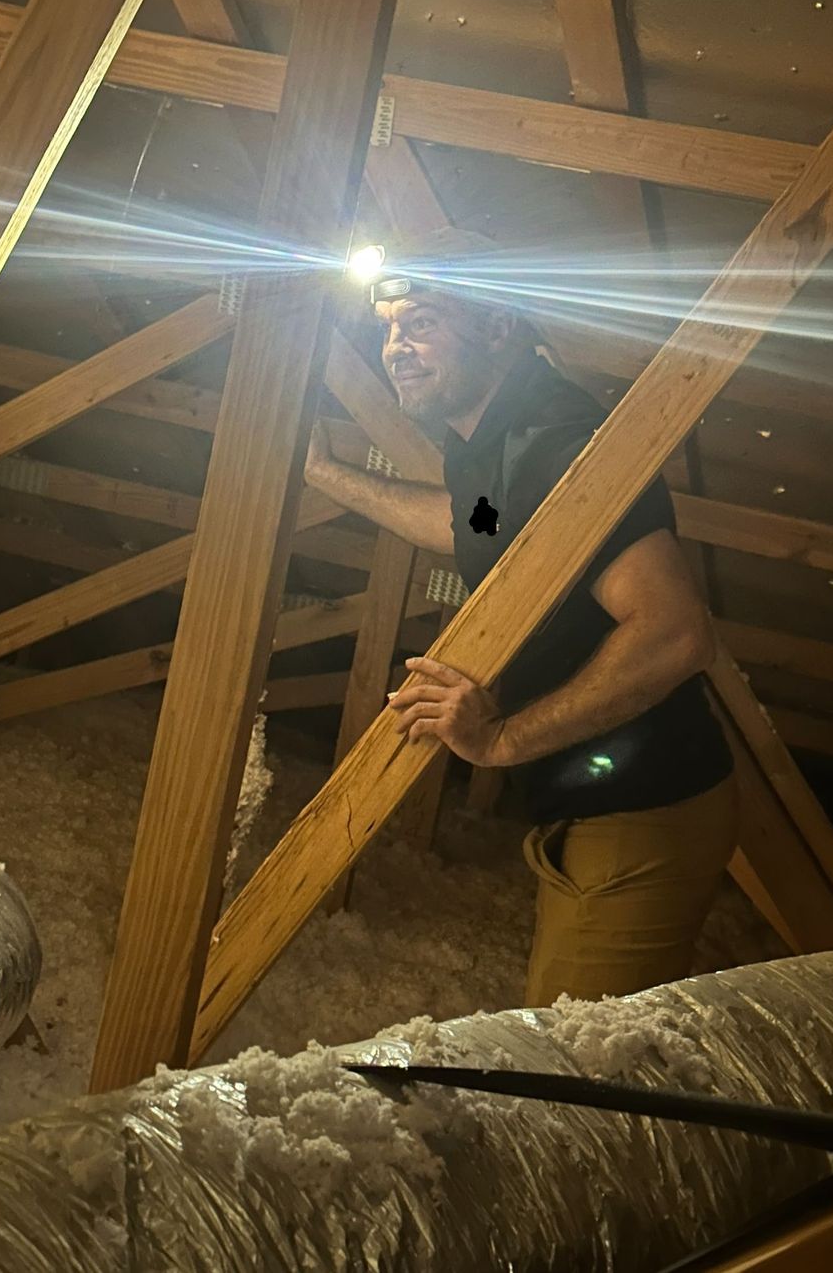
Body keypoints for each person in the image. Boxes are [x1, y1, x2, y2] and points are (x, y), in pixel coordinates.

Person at [305, 279, 738, 1007]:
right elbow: (473, 529)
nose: (394, 349)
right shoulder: (488, 440)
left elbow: (675, 632)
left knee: (577, 1074)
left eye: (422, 324)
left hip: (642, 812)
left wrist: (501, 742)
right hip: (592, 801)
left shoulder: (559, 444)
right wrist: (324, 474)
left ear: (499, 323)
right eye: (387, 329)